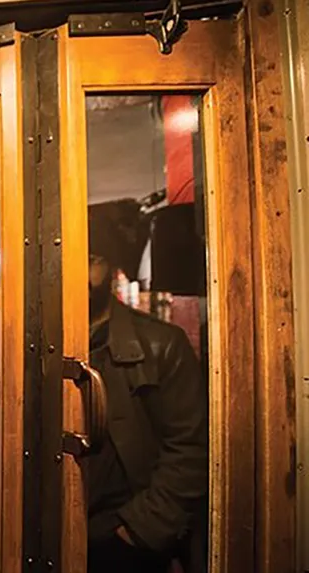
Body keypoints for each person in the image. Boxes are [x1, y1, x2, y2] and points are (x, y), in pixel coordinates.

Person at [85, 199, 209, 573]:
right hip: (57, 534)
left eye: (91, 258)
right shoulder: (39, 349)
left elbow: (190, 450)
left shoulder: (162, 344)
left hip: (125, 539)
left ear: (110, 268)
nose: (77, 271)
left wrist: (137, 531)